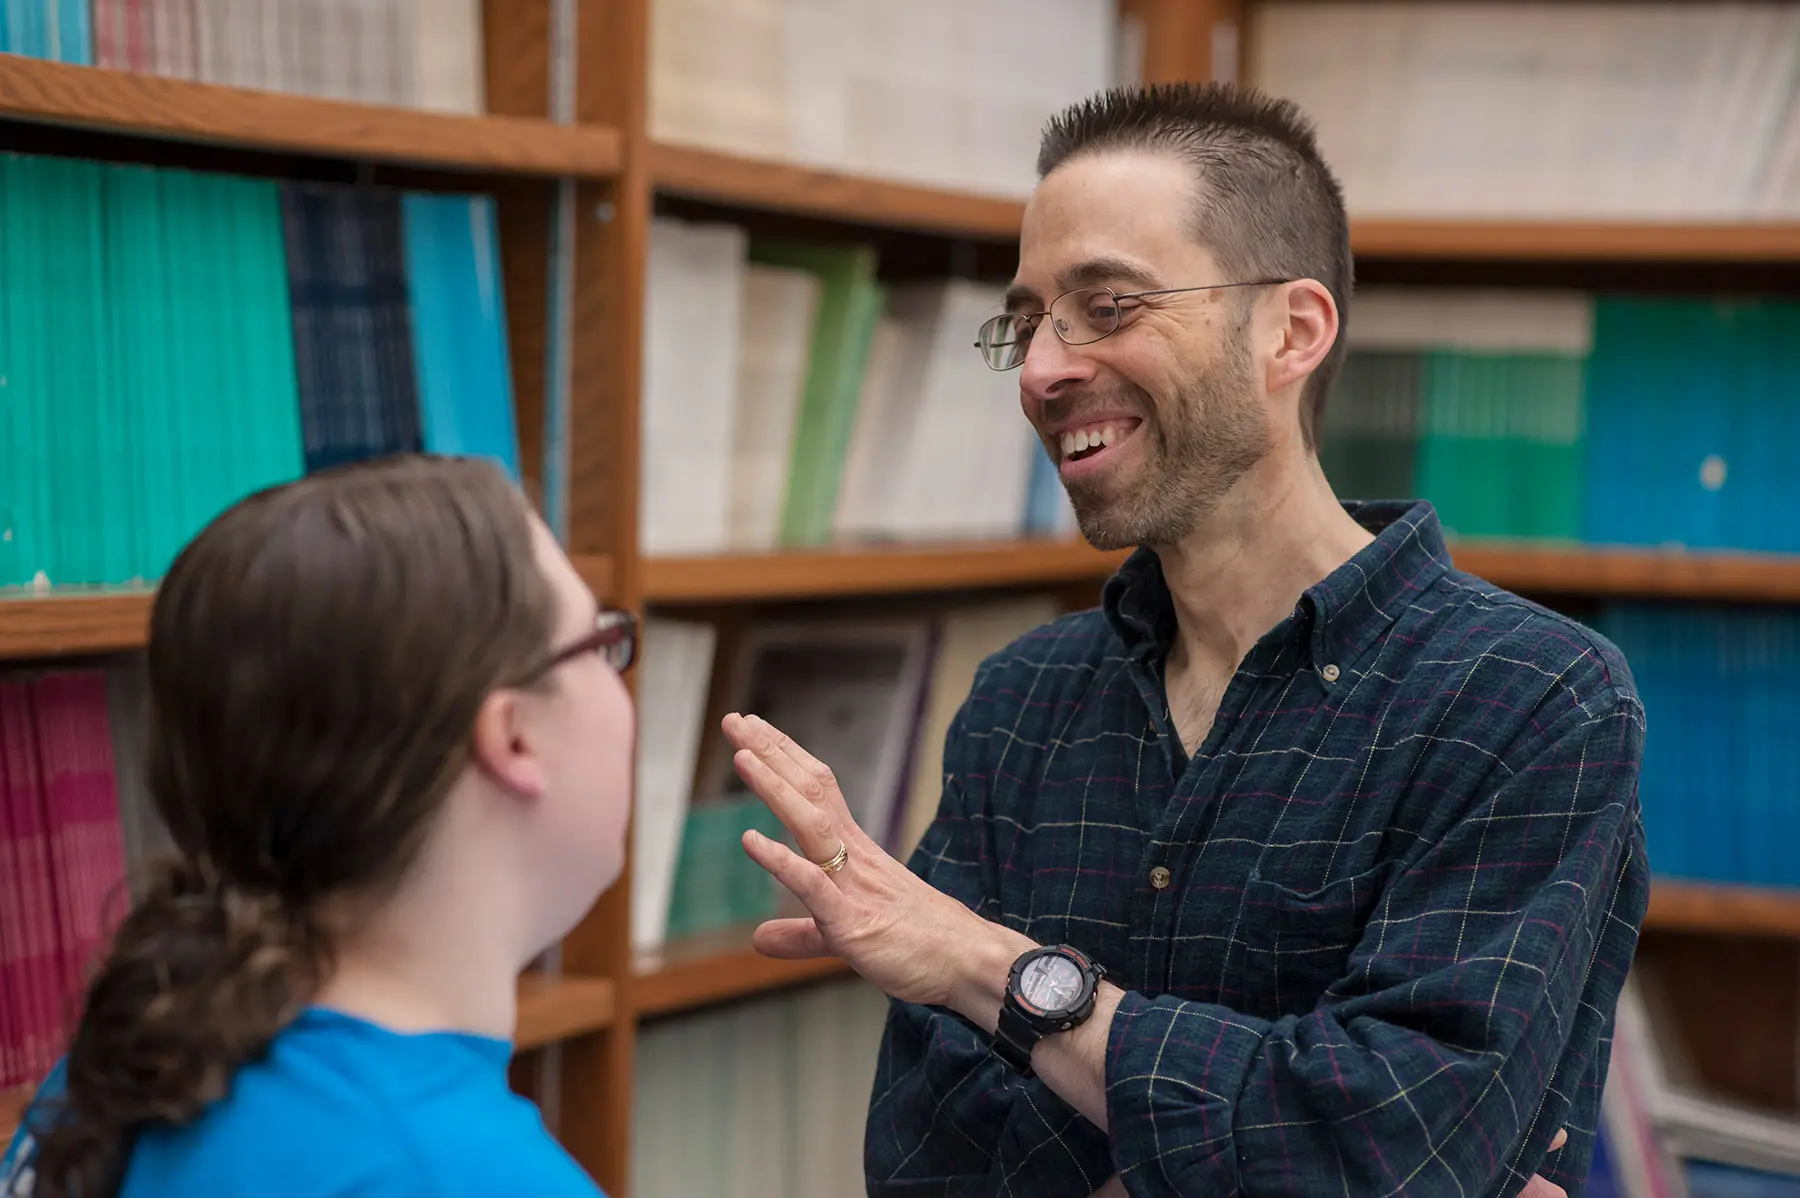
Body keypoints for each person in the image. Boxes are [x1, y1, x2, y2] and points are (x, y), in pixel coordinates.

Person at [718, 82, 1648, 1198]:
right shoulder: (1022, 703)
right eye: (1026, 320)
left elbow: (1391, 1147)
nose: (1044, 368)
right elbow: (930, 1161)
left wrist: (982, 965)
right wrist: (1255, 1131)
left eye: (1108, 305)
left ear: (1290, 331)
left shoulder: (1531, 699)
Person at [1, 454, 635, 1198]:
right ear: (514, 736)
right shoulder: (459, 1175)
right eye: (600, 642)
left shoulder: (117, 1069)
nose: (620, 677)